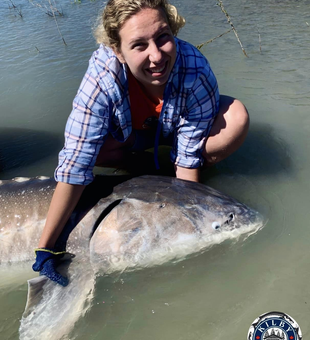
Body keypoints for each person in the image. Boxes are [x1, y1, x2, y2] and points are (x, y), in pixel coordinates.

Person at [32, 0, 249, 286]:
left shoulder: (194, 68)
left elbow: (188, 160)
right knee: (92, 149)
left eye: (163, 38)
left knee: (235, 118)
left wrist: (197, 222)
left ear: (173, 31)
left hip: (174, 131)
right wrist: (46, 247)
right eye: (139, 45)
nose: (156, 56)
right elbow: (75, 164)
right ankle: (146, 171)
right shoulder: (101, 77)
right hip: (130, 137)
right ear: (117, 50)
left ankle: (159, 173)